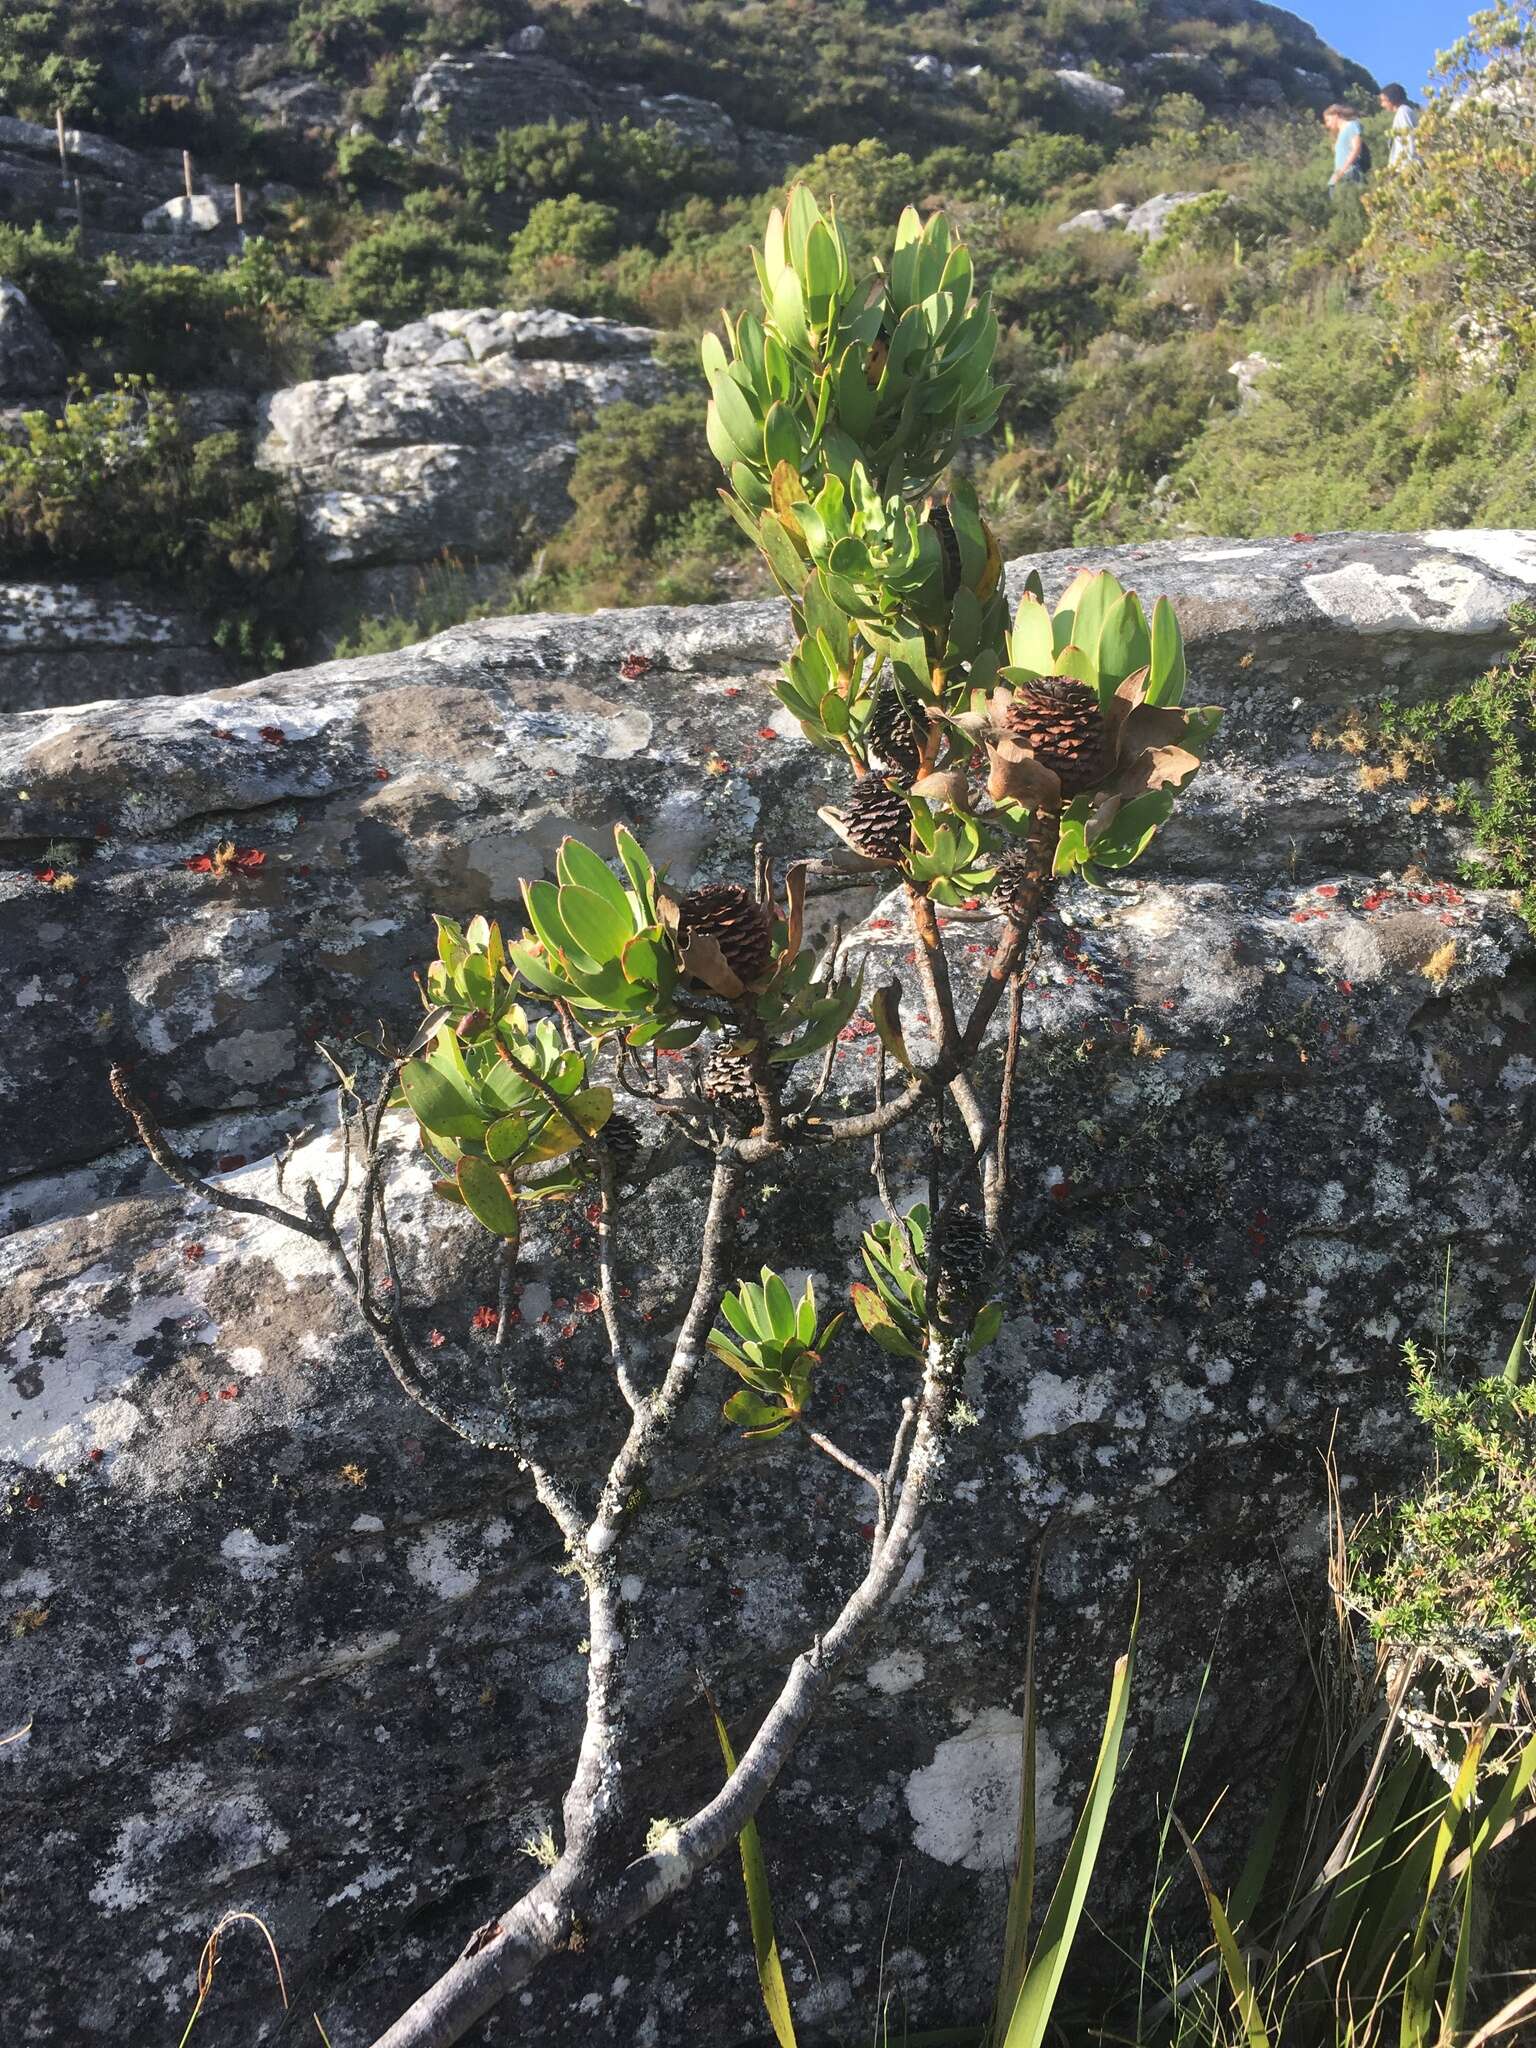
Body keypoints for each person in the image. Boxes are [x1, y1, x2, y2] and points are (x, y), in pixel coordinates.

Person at [1322, 102, 1367, 198]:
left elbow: (1356, 148)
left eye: (1328, 120)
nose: (1327, 125)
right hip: (1338, 177)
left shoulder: (1352, 125)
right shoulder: (1339, 135)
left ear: (1336, 115)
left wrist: (1342, 171)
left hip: (1349, 173)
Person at [1380, 82, 1420, 166]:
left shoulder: (1403, 112)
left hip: (1407, 166)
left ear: (1392, 99)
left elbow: (1409, 137)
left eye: (1384, 101)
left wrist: (1409, 165)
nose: (1382, 104)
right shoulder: (1402, 112)